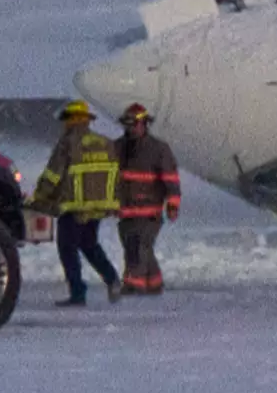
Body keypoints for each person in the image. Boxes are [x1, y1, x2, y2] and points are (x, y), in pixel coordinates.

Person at [28, 99, 122, 307]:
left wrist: (39, 198)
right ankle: (112, 279)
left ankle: (78, 293)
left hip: (73, 206)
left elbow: (53, 175)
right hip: (98, 207)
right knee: (89, 244)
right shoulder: (106, 143)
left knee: (67, 248)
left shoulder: (68, 143)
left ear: (71, 120)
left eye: (67, 120)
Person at [115, 102, 181, 296]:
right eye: (128, 124)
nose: (131, 128)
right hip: (125, 211)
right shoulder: (117, 147)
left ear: (144, 124)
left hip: (149, 211)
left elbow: (171, 179)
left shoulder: (159, 149)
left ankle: (133, 284)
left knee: (139, 247)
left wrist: (173, 204)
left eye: (134, 124)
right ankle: (154, 283)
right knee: (133, 247)